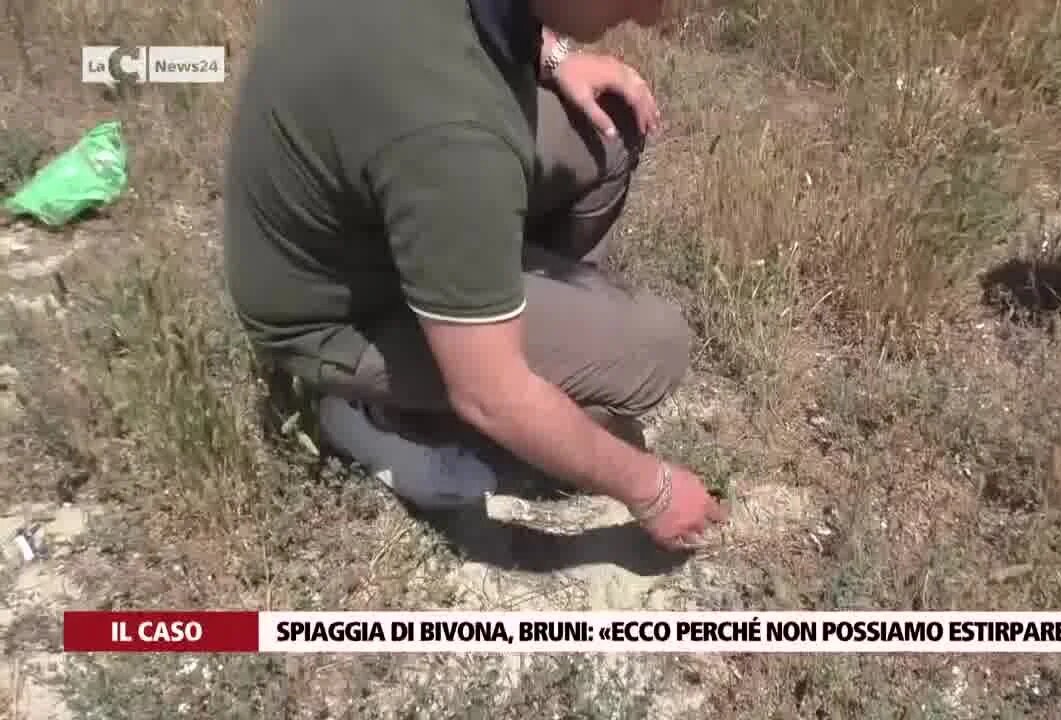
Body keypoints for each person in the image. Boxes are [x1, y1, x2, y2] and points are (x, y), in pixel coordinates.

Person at [221, 0, 729, 552]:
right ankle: (382, 417)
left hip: (364, 218)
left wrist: (556, 58)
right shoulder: (453, 130)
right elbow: (493, 395)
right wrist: (651, 491)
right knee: (653, 349)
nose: (651, 18)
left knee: (610, 124)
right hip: (337, 316)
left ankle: (488, 311)